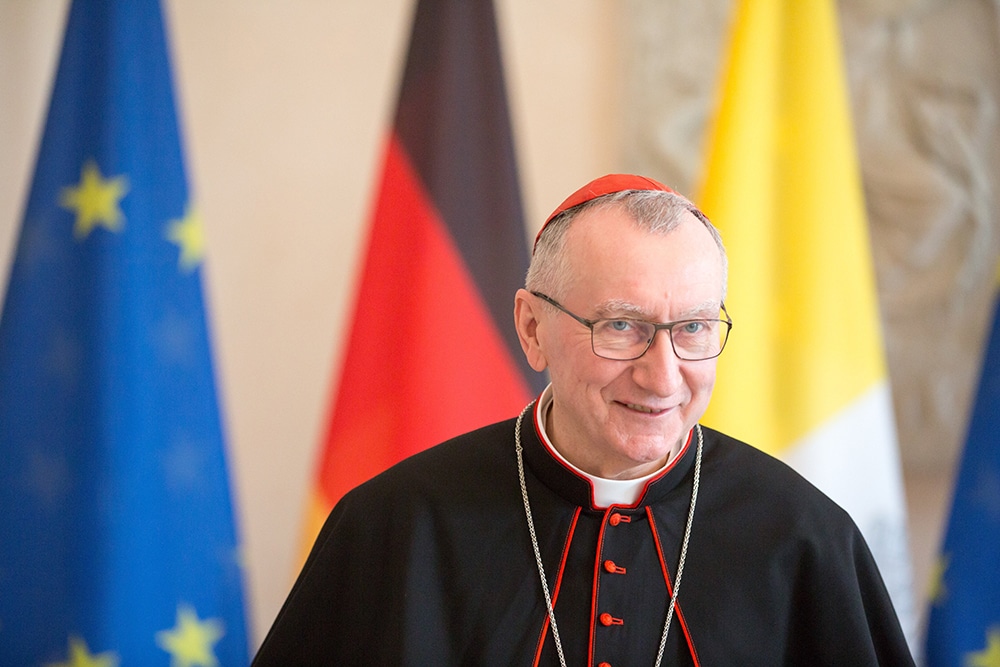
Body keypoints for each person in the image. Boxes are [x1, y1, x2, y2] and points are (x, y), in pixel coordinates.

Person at [253, 174, 914, 666]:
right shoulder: (395, 525)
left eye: (693, 328)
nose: (663, 375)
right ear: (532, 327)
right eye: (620, 326)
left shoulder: (805, 537)